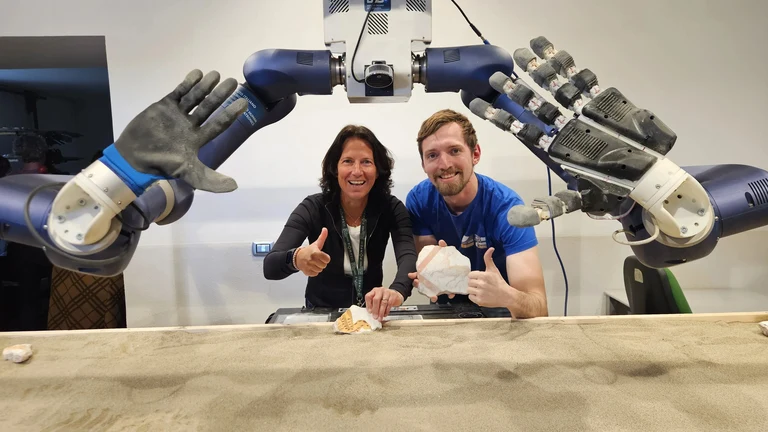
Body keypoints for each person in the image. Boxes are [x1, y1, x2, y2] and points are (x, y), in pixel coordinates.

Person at [264, 125, 417, 320]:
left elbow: (408, 256)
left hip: (370, 314)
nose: (357, 171)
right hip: (321, 313)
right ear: (335, 168)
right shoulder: (313, 207)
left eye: (366, 162)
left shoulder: (391, 208)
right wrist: (296, 258)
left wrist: (397, 292)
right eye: (347, 161)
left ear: (378, 170)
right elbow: (270, 266)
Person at [405, 109, 548, 318]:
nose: (444, 165)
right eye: (432, 155)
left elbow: (539, 307)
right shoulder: (419, 201)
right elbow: (428, 260)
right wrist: (431, 275)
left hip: (502, 313)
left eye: (454, 151)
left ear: (475, 154)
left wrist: (506, 295)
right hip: (446, 313)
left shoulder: (507, 208)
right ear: (424, 164)